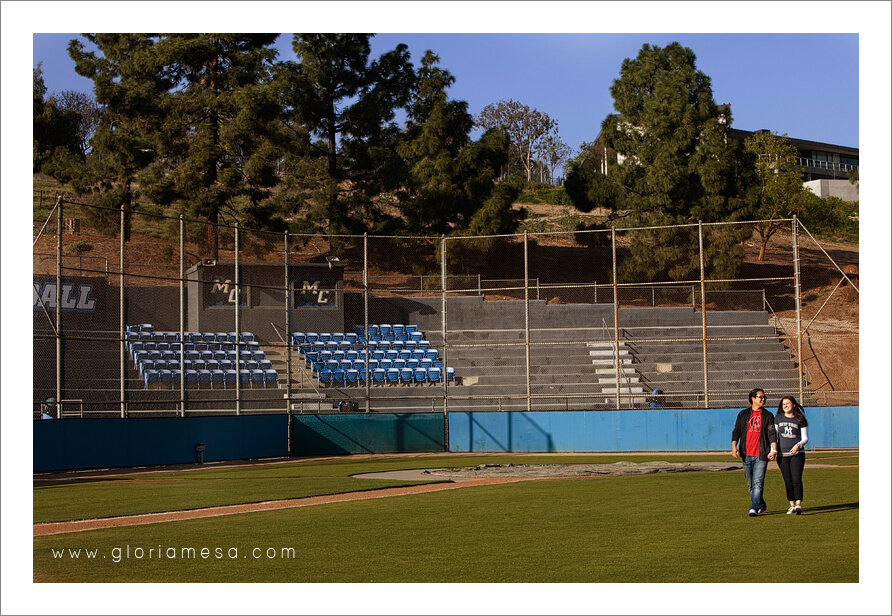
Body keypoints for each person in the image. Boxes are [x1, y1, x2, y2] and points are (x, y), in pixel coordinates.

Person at [731, 388, 778, 516]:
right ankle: (761, 504)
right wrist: (734, 446)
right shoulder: (743, 414)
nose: (763, 399)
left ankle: (754, 507)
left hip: (761, 455)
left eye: (764, 397)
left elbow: (772, 434)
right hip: (746, 454)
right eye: (760, 397)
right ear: (753, 398)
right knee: (751, 483)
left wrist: (773, 449)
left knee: (758, 482)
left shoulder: (768, 415)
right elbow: (737, 431)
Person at [775, 395, 809, 515]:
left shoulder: (800, 419)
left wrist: (798, 445)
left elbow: (805, 438)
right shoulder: (778, 418)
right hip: (782, 455)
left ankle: (798, 504)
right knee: (787, 480)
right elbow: (774, 436)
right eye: (783, 404)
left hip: (797, 454)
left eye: (788, 403)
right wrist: (773, 450)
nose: (785, 406)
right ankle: (792, 505)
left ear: (794, 405)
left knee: (796, 479)